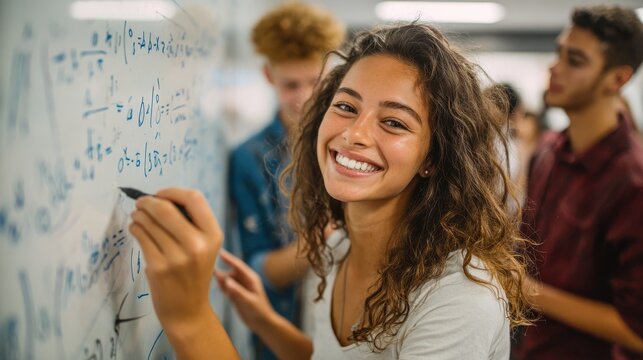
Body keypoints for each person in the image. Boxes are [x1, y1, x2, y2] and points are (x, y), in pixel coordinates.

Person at [128, 23, 532, 359]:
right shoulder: (338, 249)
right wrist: (264, 321)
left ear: (432, 157)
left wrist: (190, 317)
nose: (354, 134)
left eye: (393, 122)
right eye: (345, 107)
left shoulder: (457, 299)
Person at [513, 5, 643, 359]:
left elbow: (637, 331)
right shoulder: (548, 150)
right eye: (559, 53)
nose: (555, 67)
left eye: (576, 60)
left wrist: (530, 291)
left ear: (617, 79)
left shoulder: (632, 182)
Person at [228, 3, 344, 359]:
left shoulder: (353, 142)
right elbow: (259, 272)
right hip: (284, 334)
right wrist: (323, 239)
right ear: (268, 75)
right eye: (291, 85)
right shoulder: (248, 159)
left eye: (316, 82)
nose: (306, 97)